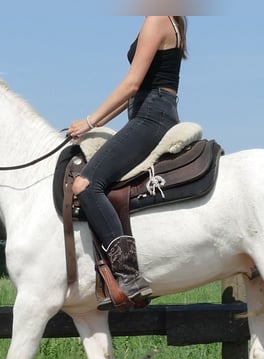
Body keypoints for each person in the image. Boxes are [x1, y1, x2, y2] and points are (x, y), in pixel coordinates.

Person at [68, 15, 188, 307]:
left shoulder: (157, 18)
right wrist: (93, 125)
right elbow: (131, 94)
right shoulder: (167, 19)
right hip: (149, 112)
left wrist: (88, 120)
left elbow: (132, 85)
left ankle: (129, 276)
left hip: (151, 116)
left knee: (85, 184)